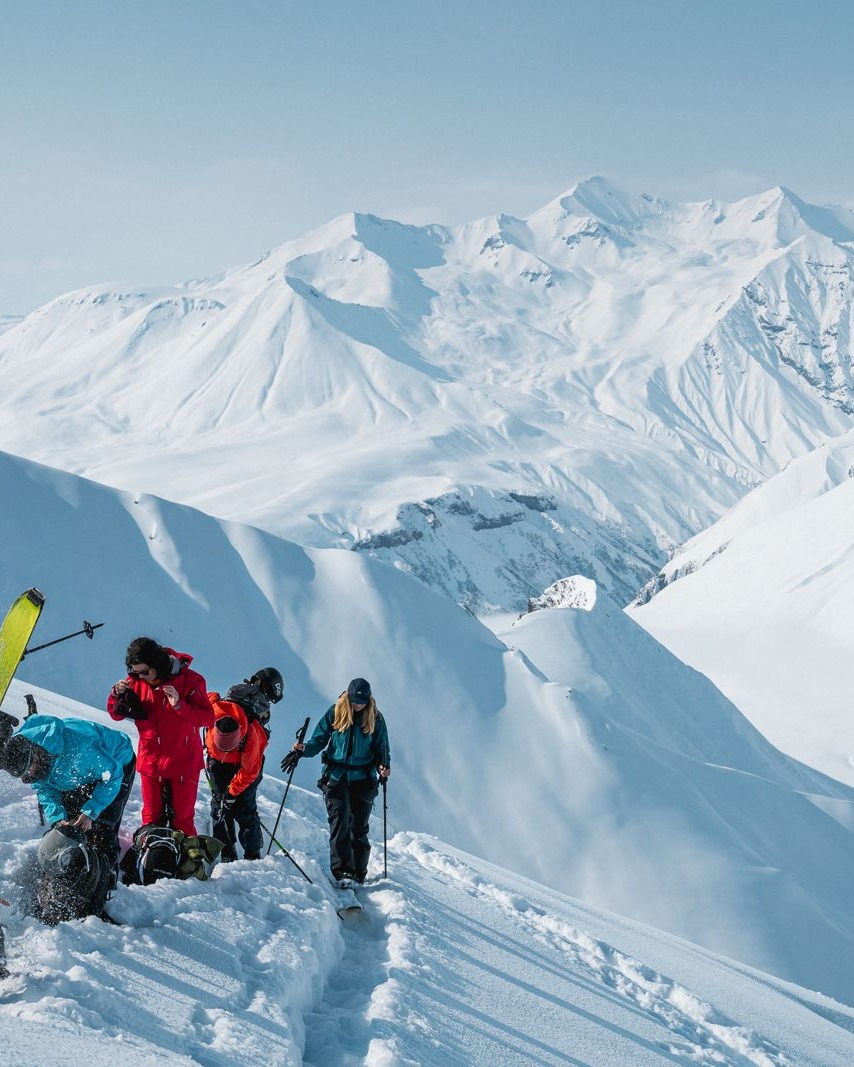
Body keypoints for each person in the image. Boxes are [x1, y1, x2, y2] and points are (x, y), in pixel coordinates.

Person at [0, 714, 136, 909]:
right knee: (70, 829)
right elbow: (45, 789)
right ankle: (63, 884)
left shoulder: (80, 750)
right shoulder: (24, 752)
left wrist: (91, 812)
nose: (28, 777)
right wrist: (58, 819)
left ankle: (105, 890)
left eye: (28, 771)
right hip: (73, 771)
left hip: (116, 765)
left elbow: (113, 775)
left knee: (103, 827)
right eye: (24, 775)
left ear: (36, 754)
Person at [283, 677, 390, 887]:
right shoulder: (336, 712)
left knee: (358, 828)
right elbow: (319, 740)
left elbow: (382, 748)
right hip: (336, 776)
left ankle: (359, 873)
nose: (358, 704)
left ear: (369, 700)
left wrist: (383, 767)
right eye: (354, 700)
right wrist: (304, 750)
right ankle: (342, 873)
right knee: (340, 822)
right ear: (347, 696)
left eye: (362, 701)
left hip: (364, 779)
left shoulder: (376, 718)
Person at [107, 636, 213, 835]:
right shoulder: (135, 682)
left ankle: (186, 862)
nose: (140, 677)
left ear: (157, 664)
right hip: (151, 762)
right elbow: (115, 714)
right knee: (151, 819)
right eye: (134, 672)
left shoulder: (191, 680)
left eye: (144, 672)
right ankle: (149, 861)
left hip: (183, 762)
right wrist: (115, 694)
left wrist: (180, 705)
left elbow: (208, 718)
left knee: (182, 821)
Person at [205, 667, 284, 861]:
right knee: (222, 808)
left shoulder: (252, 734)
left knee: (241, 809)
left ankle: (251, 855)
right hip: (216, 764)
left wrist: (231, 793)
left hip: (238, 765)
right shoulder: (216, 712)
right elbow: (209, 698)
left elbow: (249, 771)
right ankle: (229, 853)